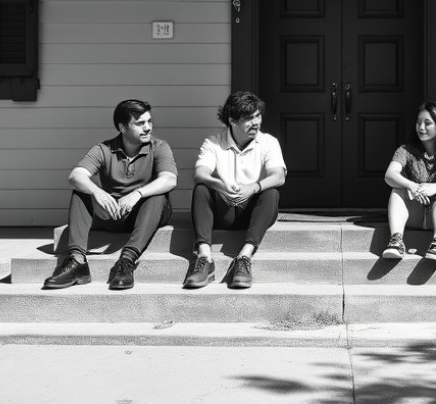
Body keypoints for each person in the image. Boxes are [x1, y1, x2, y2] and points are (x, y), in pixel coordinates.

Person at [43, 99, 177, 290]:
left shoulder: (159, 147)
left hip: (148, 213)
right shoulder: (104, 149)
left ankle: (127, 261)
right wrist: (97, 191)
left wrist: (137, 193)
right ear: (122, 128)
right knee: (81, 191)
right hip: (113, 213)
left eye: (149, 121)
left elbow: (170, 179)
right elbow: (76, 176)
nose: (147, 128)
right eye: (140, 123)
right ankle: (77, 262)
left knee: (158, 195)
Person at [184, 91, 286, 289]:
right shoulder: (213, 142)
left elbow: (278, 176)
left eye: (258, 115)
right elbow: (200, 173)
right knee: (202, 189)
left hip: (254, 214)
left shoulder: (268, 142)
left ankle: (243, 258)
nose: (255, 122)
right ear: (232, 120)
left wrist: (253, 187)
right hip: (224, 211)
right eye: (248, 118)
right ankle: (205, 259)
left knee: (271, 192)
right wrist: (219, 184)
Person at [382, 101, 436, 263]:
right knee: (398, 190)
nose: (421, 127)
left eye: (427, 123)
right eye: (418, 122)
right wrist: (411, 186)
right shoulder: (405, 150)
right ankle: (396, 241)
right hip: (415, 214)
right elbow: (389, 174)